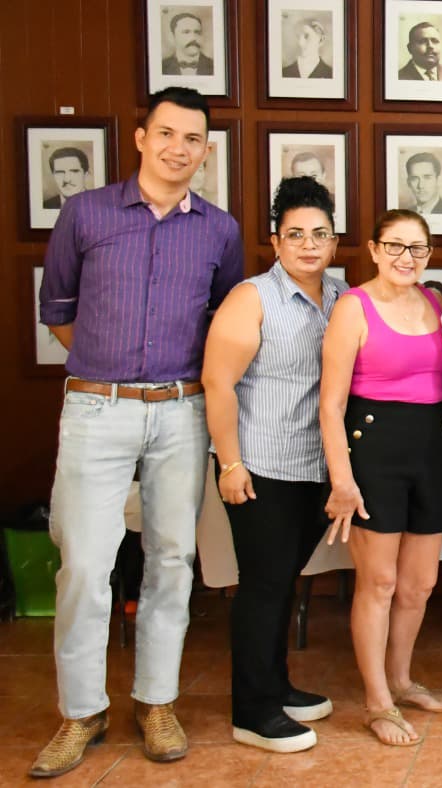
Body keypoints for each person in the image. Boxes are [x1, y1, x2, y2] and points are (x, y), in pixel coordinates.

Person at [31, 87, 241, 779]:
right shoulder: (86, 213)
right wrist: (111, 371)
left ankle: (156, 702)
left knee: (172, 560)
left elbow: (224, 326)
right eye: (167, 133)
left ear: (205, 152)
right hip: (97, 408)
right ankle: (81, 712)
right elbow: (59, 312)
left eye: (193, 139)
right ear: (142, 138)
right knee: (84, 566)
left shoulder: (219, 230)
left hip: (181, 410)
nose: (179, 148)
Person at [201, 176, 345, 753]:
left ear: (334, 241)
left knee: (284, 580)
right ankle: (252, 710)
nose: (309, 245)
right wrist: (230, 463)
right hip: (260, 464)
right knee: (262, 586)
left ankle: (276, 685)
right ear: (276, 240)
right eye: (296, 234)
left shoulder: (340, 297)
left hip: (314, 465)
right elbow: (217, 382)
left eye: (319, 234)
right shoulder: (252, 297)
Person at [320, 210, 442, 747]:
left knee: (419, 584)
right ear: (375, 250)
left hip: (429, 447)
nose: (406, 257)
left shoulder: (435, 304)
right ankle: (377, 701)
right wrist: (342, 479)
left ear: (429, 255)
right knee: (378, 582)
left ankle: (400, 680)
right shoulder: (352, 307)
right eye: (395, 246)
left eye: (417, 248)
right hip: (372, 449)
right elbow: (331, 405)